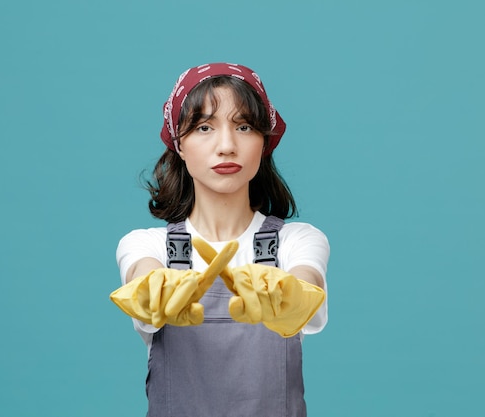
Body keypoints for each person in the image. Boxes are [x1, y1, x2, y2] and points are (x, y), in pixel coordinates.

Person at [110, 63, 330, 417]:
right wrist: (154, 290)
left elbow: (308, 280)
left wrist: (290, 296)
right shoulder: (146, 246)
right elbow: (143, 277)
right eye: (204, 127)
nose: (226, 146)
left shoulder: (297, 242)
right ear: (179, 144)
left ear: (264, 142)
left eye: (244, 126)